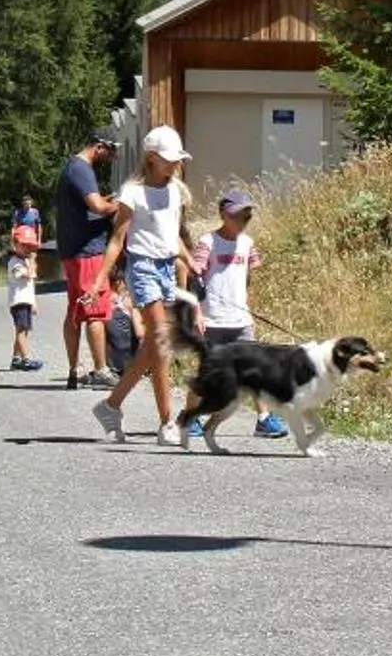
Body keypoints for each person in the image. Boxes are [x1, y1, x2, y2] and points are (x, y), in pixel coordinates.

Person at [90, 125, 198, 447]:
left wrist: (188, 258)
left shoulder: (176, 190)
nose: (175, 165)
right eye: (169, 159)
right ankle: (167, 423)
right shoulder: (132, 192)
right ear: (152, 159)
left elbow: (172, 233)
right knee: (162, 341)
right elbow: (117, 240)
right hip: (142, 268)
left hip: (166, 267)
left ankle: (111, 405)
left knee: (154, 345)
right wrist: (99, 279)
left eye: (177, 159)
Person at [190, 189, 286, 440]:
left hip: (241, 320)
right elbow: (194, 278)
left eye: (247, 216)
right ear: (223, 214)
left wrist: (247, 305)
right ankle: (192, 417)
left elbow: (249, 276)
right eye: (238, 215)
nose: (243, 221)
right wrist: (197, 313)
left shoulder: (248, 243)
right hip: (212, 319)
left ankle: (264, 420)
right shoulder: (207, 242)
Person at [55, 128, 122, 390]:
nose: (110, 157)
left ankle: (74, 369)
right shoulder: (82, 169)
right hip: (87, 250)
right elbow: (98, 207)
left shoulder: (72, 168)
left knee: (75, 308)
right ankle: (101, 369)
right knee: (95, 310)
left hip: (71, 250)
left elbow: (86, 205)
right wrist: (124, 203)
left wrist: (107, 201)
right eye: (110, 151)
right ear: (99, 147)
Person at [4, 198, 46, 373]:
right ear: (16, 245)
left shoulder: (27, 260)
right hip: (18, 301)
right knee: (21, 329)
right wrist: (31, 264)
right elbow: (24, 276)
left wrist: (33, 302)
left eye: (31, 247)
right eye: (25, 246)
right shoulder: (15, 262)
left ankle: (16, 358)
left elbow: (32, 281)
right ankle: (26, 359)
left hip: (26, 300)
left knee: (24, 330)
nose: (29, 250)